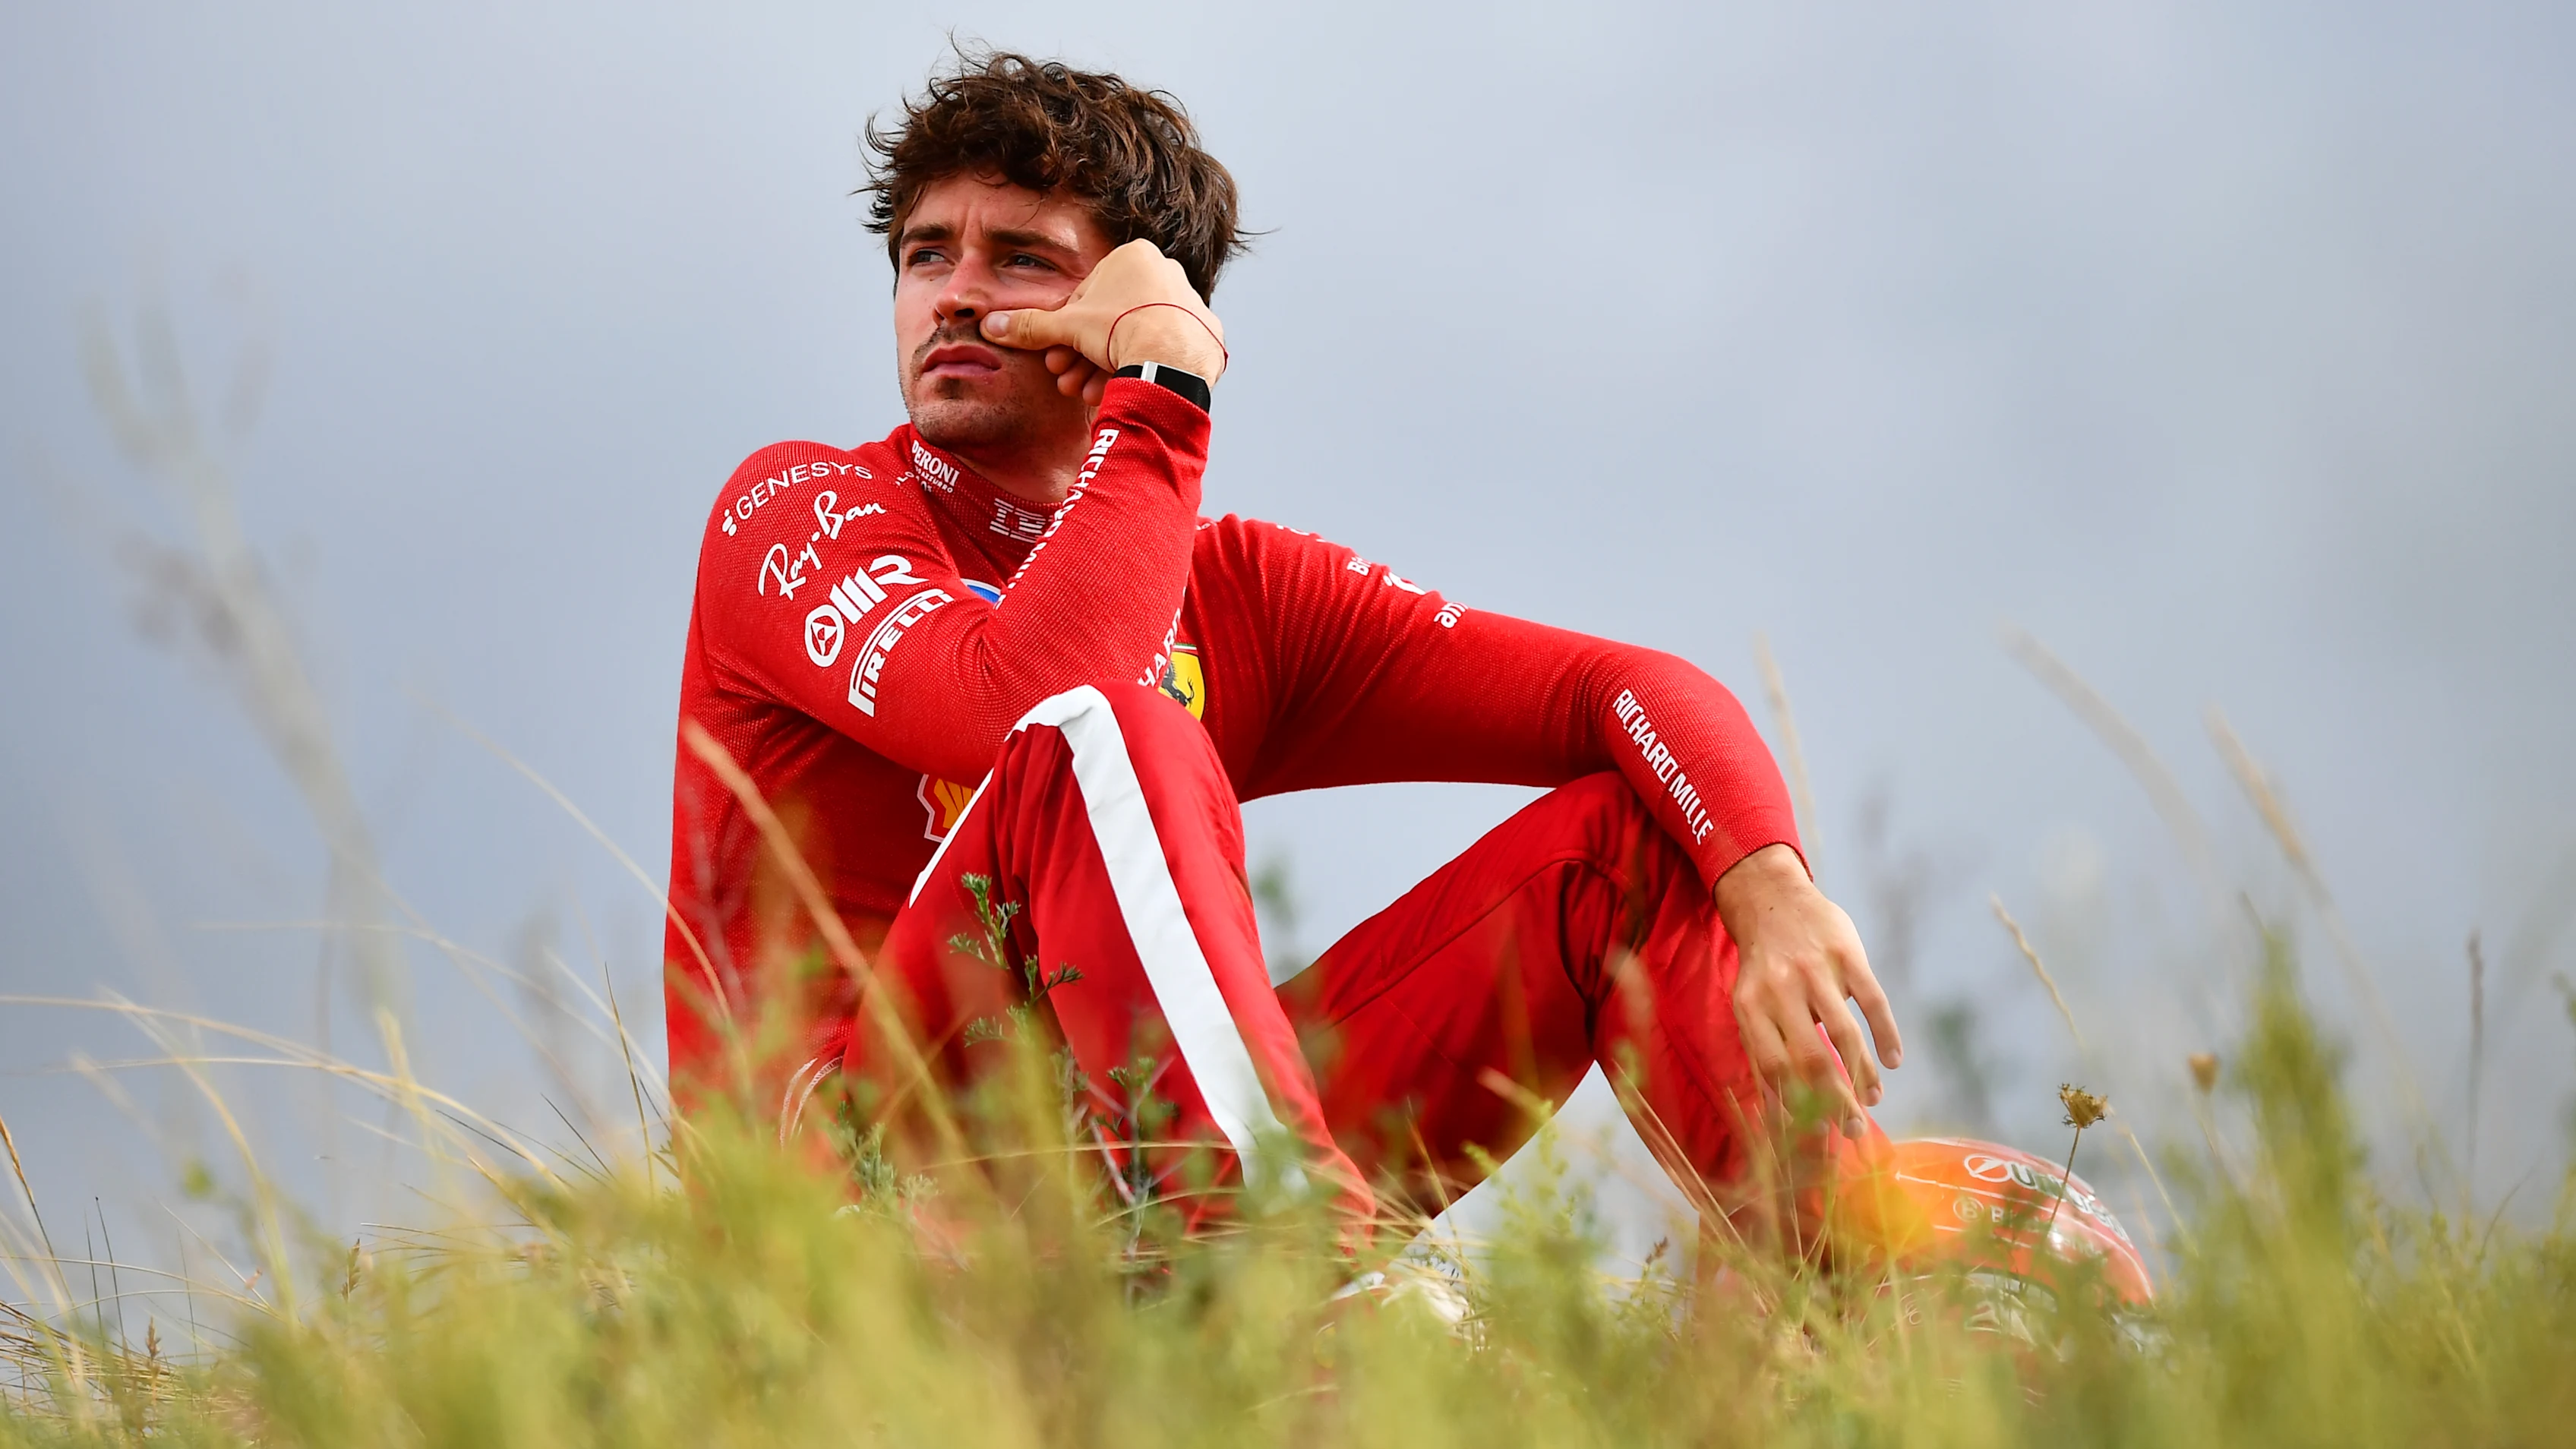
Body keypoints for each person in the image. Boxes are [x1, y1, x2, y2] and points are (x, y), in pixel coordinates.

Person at [662, 51, 1902, 1241]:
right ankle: (1281, 1266)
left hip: (1132, 1182)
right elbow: (1022, 697)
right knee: (1105, 726)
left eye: (1022, 257)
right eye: (925, 254)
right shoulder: (799, 509)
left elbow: (1619, 688)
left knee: (1626, 851)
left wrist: (1772, 886)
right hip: (855, 1205)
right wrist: (1164, 399)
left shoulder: (1238, 589)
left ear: (1136, 300)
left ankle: (1863, 1304)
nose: (956, 293)